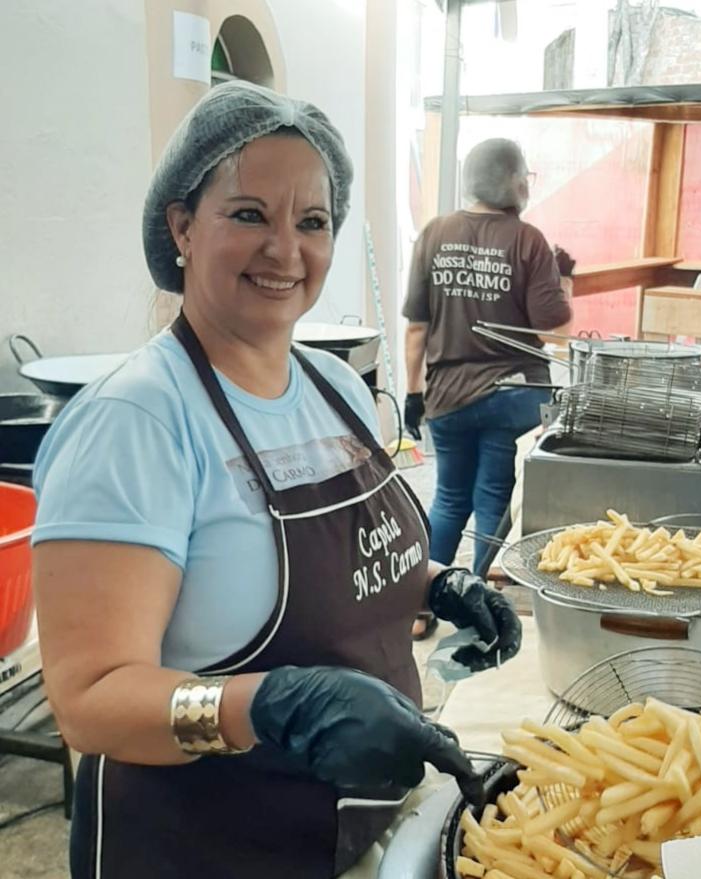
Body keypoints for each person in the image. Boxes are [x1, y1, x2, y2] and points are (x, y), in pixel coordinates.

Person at [31, 83, 523, 879]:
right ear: (181, 226)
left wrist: (437, 585)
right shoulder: (137, 422)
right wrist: (263, 705)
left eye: (313, 221)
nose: (286, 250)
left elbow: (337, 562)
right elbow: (88, 700)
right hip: (204, 850)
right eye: (250, 213)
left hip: (353, 833)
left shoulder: (336, 388)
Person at [402, 138, 573, 638]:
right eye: (526, 177)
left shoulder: (434, 234)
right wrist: (565, 282)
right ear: (514, 181)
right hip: (514, 396)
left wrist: (414, 394)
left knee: (450, 497)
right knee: (494, 496)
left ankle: (420, 606)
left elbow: (416, 327)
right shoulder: (529, 240)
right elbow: (552, 329)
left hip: (448, 395)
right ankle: (480, 610)